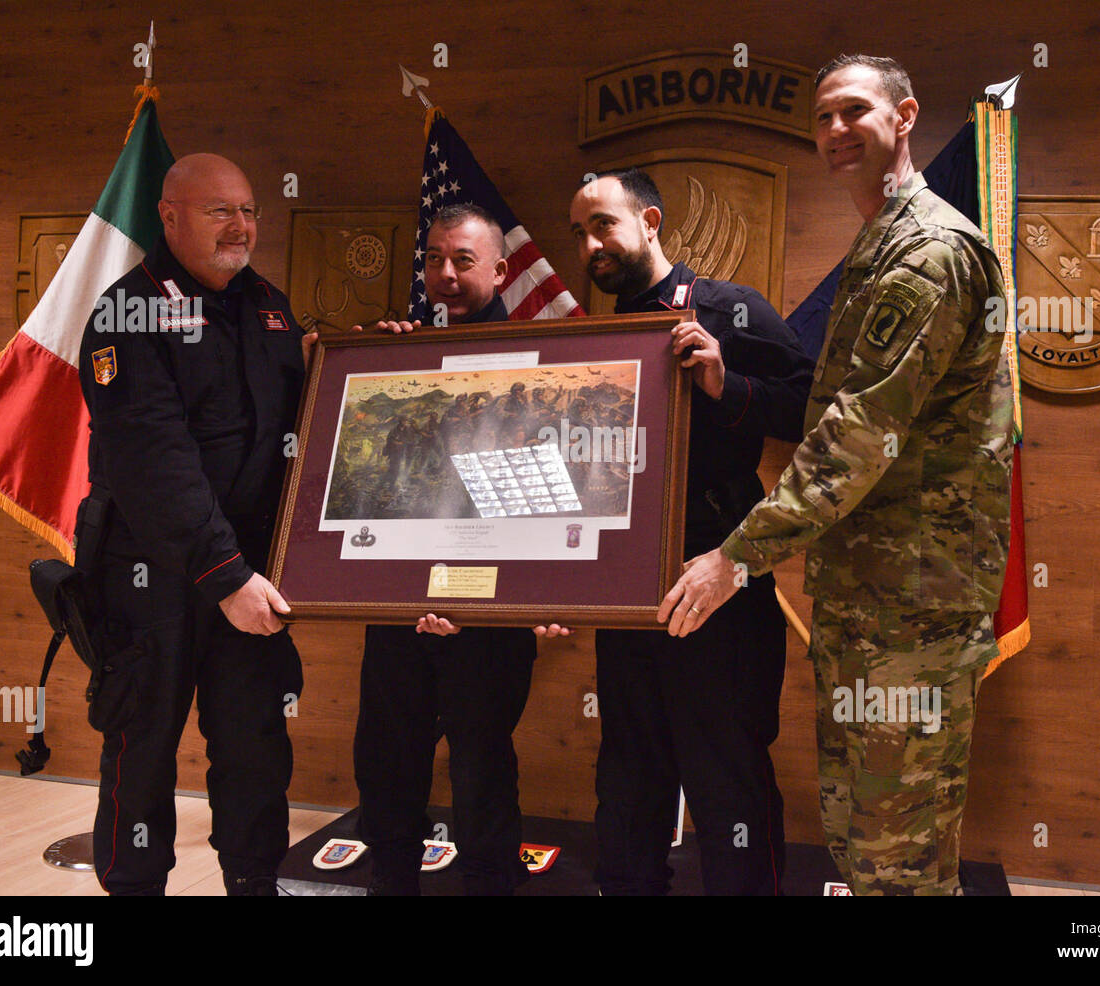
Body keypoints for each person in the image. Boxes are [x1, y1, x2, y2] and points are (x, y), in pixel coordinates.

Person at [657, 55, 1014, 895]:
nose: (836, 131)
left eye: (855, 110)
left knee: (903, 858)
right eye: (822, 118)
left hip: (913, 613)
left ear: (905, 116)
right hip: (871, 601)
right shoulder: (876, 248)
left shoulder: (928, 253)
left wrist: (733, 556)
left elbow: (858, 434)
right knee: (866, 845)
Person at [561, 168, 815, 895]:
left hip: (717, 573)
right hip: (624, 580)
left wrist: (724, 382)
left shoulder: (731, 310)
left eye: (603, 224)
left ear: (650, 221)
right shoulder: (593, 335)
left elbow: (810, 408)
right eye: (579, 233)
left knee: (726, 774)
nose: (591, 244)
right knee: (628, 774)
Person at [77, 153, 316, 896]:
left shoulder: (271, 307)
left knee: (254, 746)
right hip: (150, 577)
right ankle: (133, 886)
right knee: (140, 749)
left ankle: (253, 881)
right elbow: (156, 464)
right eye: (221, 212)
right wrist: (225, 576)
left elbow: (306, 421)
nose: (241, 226)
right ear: (171, 216)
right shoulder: (127, 314)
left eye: (248, 211)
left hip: (249, 575)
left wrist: (347, 362)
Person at [354, 203, 538, 896]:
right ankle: (391, 882)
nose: (446, 274)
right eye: (434, 259)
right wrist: (376, 362)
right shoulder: (398, 351)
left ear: (499, 267)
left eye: (463, 260)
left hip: (488, 613)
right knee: (386, 766)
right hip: (400, 602)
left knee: (482, 774)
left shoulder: (535, 361)